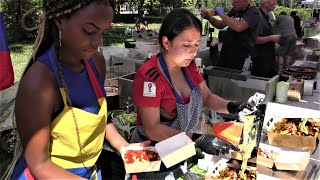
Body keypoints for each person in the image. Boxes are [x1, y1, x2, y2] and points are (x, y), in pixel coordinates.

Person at [7, 0, 149, 179]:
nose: (97, 42)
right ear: (60, 20)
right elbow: (40, 165)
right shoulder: (40, 83)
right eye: (89, 31)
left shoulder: (96, 63)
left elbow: (98, 119)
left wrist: (123, 146)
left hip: (89, 171)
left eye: (104, 32)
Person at [130, 8, 246, 179]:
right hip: (149, 154)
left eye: (196, 44)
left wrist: (233, 107)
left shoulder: (189, 66)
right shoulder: (149, 77)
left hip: (179, 147)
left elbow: (207, 97)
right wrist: (198, 139)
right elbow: (152, 128)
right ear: (166, 42)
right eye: (186, 45)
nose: (193, 52)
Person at [201, 0, 261, 70]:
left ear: (245, 1)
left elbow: (239, 27)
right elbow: (221, 24)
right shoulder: (235, 10)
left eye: (235, 2)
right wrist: (209, 18)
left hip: (241, 56)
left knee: (236, 79)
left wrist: (222, 15)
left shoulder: (254, 12)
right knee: (219, 77)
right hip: (226, 52)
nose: (232, 4)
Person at [251, 0, 279, 78]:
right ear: (265, 4)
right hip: (261, 62)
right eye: (273, 1)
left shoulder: (265, 16)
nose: (276, 3)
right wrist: (271, 38)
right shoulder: (258, 16)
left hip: (268, 60)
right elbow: (254, 39)